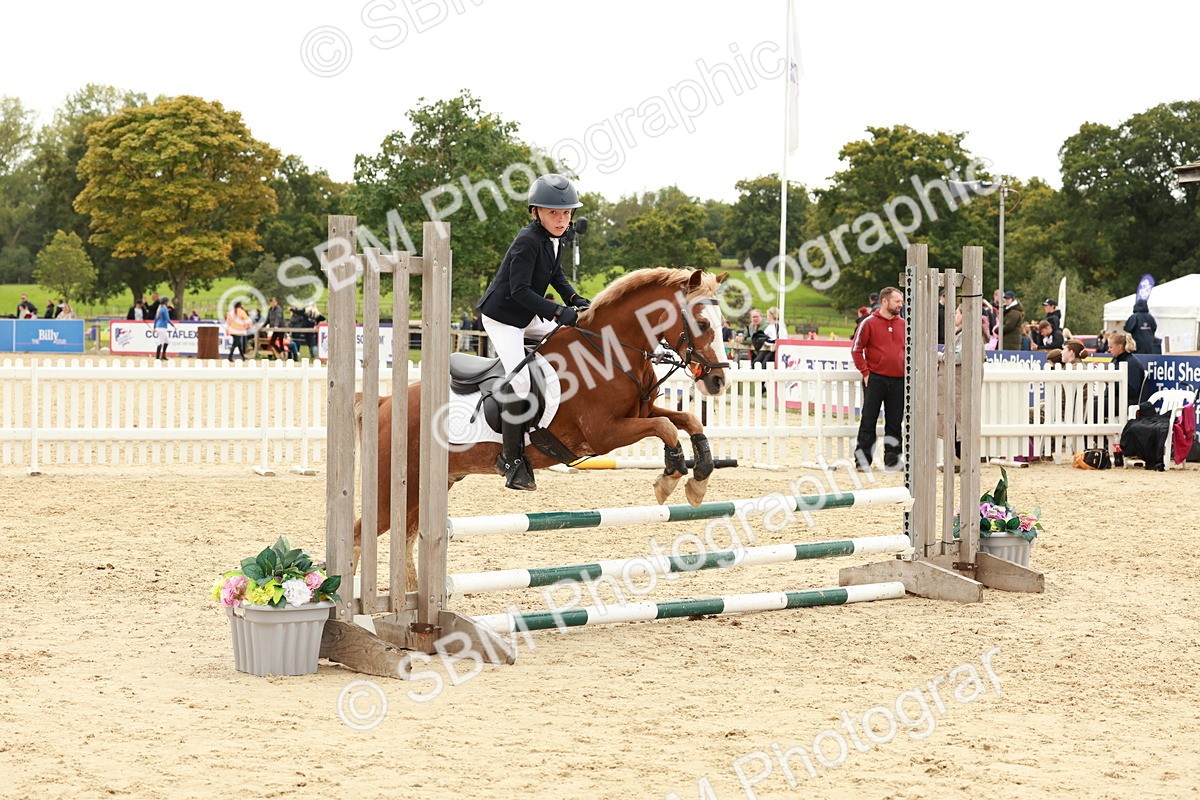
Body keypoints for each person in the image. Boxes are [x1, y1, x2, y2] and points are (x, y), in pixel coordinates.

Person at [476, 173, 589, 491]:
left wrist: (574, 298)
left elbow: (557, 274)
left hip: (526, 315)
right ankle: (510, 461)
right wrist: (557, 311)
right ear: (535, 212)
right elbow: (520, 291)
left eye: (566, 213)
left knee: (568, 341)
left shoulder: (556, 239)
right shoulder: (527, 241)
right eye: (553, 212)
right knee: (521, 379)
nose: (561, 219)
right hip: (504, 319)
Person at [851, 287, 905, 470]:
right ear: (884, 301)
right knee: (868, 419)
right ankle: (862, 460)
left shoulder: (905, 325)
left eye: (901, 301)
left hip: (899, 380)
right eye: (897, 301)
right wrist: (866, 372)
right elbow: (856, 349)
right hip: (875, 379)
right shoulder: (868, 323)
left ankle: (893, 460)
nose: (901, 304)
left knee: (895, 422)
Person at [1108, 331, 1148, 405]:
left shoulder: (1132, 364)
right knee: (1090, 401)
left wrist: (1110, 381)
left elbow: (1132, 391)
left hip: (1125, 401)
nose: (1109, 350)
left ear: (1119, 347)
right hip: (1114, 397)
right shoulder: (1115, 359)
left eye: (1111, 347)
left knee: (1094, 405)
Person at [153, 296, 176, 360]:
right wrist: (173, 325)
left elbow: (156, 319)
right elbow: (167, 319)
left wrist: (154, 327)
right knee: (160, 342)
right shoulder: (165, 309)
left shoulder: (159, 309)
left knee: (166, 342)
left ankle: (163, 356)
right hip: (162, 327)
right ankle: (157, 357)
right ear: (165, 302)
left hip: (158, 326)